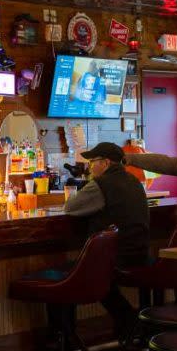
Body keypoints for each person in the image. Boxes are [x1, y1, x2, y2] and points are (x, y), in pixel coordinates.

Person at [64, 141, 150, 332]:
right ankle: (131, 325)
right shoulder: (134, 181)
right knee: (101, 279)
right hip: (139, 253)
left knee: (73, 274)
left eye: (93, 161)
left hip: (115, 258)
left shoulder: (100, 185)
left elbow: (69, 208)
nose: (90, 166)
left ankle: (62, 341)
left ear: (106, 163)